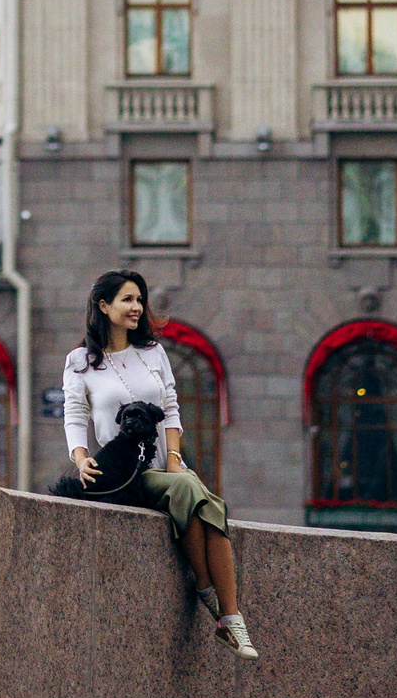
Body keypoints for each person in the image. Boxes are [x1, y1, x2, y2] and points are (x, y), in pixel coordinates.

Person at [62, 270, 256, 659]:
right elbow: (74, 414)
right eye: (128, 300)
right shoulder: (80, 361)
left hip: (160, 467)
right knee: (194, 492)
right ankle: (221, 608)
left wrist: (173, 459)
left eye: (139, 300)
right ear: (104, 306)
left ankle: (226, 613)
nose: (137, 308)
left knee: (198, 497)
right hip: (121, 473)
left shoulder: (153, 353)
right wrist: (81, 459)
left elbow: (170, 408)